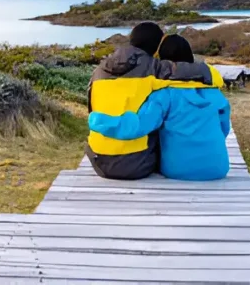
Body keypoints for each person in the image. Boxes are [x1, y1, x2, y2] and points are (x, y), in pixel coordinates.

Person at [86, 22, 224, 180]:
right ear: (156, 46)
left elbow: (91, 107)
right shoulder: (154, 68)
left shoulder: (98, 72)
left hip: (99, 160)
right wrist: (215, 76)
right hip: (137, 164)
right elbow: (194, 72)